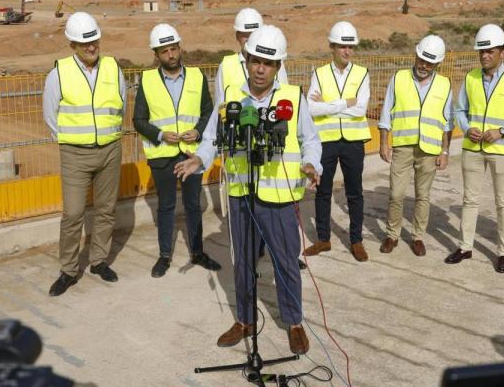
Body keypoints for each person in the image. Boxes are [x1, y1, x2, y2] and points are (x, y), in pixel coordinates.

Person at [176, 25, 321, 355]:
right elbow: (212, 138)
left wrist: (313, 165)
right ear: (247, 61)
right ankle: (245, 319)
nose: (260, 69)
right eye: (255, 61)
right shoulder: (231, 99)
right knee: (241, 261)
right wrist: (199, 159)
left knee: (286, 262)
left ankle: (293, 322)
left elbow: (310, 141)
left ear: (278, 67)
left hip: (280, 197)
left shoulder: (292, 98)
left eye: (267, 64)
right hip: (241, 196)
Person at [43, 12, 126, 296]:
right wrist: (72, 140)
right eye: (84, 43)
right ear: (72, 46)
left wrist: (106, 135)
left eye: (94, 41)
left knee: (106, 209)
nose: (92, 47)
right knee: (74, 213)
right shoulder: (58, 73)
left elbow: (121, 106)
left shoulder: (114, 69)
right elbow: (50, 115)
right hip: (75, 154)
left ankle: (99, 260)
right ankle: (68, 270)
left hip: (110, 150)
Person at [445, 24, 504, 273]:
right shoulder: (471, 77)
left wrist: (502, 131)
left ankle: (503, 253)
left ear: (502, 53)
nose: (485, 55)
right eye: (481, 51)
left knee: (503, 202)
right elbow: (459, 111)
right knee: (470, 199)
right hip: (473, 148)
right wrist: (466, 128)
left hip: (503, 150)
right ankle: (465, 247)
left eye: (490, 51)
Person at [132, 23, 221, 277]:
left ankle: (198, 252)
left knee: (193, 205)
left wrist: (199, 131)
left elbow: (208, 112)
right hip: (162, 155)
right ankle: (164, 256)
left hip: (191, 153)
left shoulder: (196, 76)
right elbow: (138, 120)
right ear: (156, 55)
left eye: (173, 49)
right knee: (166, 205)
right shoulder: (147, 80)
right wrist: (159, 134)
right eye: (164, 51)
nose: (170, 55)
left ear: (180, 48)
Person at [378, 35, 453, 256]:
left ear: (438, 64)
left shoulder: (444, 84)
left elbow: (448, 122)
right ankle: (392, 235)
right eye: (421, 59)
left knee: (423, 196)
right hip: (402, 146)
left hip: (429, 149)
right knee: (396, 194)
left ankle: (418, 237)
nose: (424, 65)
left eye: (429, 62)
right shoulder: (399, 78)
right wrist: (384, 142)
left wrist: (445, 150)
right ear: (416, 55)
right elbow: (385, 113)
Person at [303, 21, 371, 262]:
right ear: (331, 46)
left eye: (350, 46)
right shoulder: (319, 73)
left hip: (353, 141)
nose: (347, 51)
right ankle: (323, 239)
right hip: (326, 141)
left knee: (355, 193)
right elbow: (311, 108)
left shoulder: (362, 73)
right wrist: (344, 103)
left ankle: (356, 241)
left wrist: (328, 105)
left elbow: (360, 109)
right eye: (342, 46)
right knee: (322, 191)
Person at [214, 8, 288, 107]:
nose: (249, 39)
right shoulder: (226, 65)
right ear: (237, 36)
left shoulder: (277, 63)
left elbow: (285, 95)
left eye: (254, 34)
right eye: (245, 35)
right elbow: (219, 103)